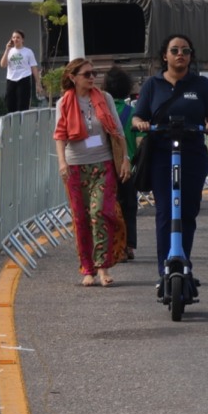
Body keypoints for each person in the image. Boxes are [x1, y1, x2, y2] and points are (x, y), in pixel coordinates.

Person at [132, 35, 208, 297]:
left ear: (191, 56)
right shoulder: (153, 85)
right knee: (165, 211)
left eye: (185, 50)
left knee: (187, 211)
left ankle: (183, 264)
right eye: (174, 50)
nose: (180, 54)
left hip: (192, 153)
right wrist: (141, 123)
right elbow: (138, 116)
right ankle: (165, 269)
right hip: (162, 155)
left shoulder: (201, 85)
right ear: (165, 56)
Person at [54, 58, 129, 286]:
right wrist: (62, 163)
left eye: (93, 73)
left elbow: (117, 132)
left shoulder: (104, 98)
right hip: (75, 166)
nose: (92, 78)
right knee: (81, 218)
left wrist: (125, 159)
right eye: (86, 74)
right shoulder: (64, 102)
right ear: (73, 77)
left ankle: (103, 267)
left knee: (100, 213)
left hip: (103, 164)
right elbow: (60, 135)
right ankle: (88, 268)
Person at [103, 65, 139, 260]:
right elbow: (140, 141)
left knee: (109, 207)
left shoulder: (102, 112)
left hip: (105, 167)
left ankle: (111, 246)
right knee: (128, 208)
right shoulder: (132, 113)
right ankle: (128, 246)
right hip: (128, 168)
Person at [1, 30, 39, 113]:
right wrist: (7, 50)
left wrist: (38, 84)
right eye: (14, 37)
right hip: (11, 80)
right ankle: (12, 120)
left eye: (18, 37)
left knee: (22, 104)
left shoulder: (28, 52)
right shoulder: (9, 51)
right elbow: (3, 65)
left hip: (23, 79)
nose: (15, 39)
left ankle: (22, 121)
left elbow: (34, 68)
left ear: (22, 39)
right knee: (10, 104)